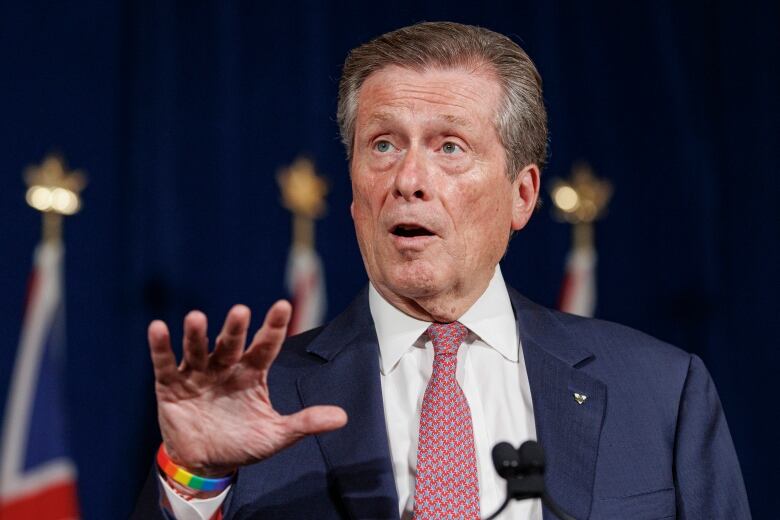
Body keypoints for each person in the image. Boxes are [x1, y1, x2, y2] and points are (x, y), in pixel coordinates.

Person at [133, 21, 750, 520]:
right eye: (383, 144)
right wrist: (197, 478)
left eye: (450, 146)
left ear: (522, 194)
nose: (408, 180)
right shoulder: (260, 401)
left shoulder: (662, 393)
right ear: (353, 196)